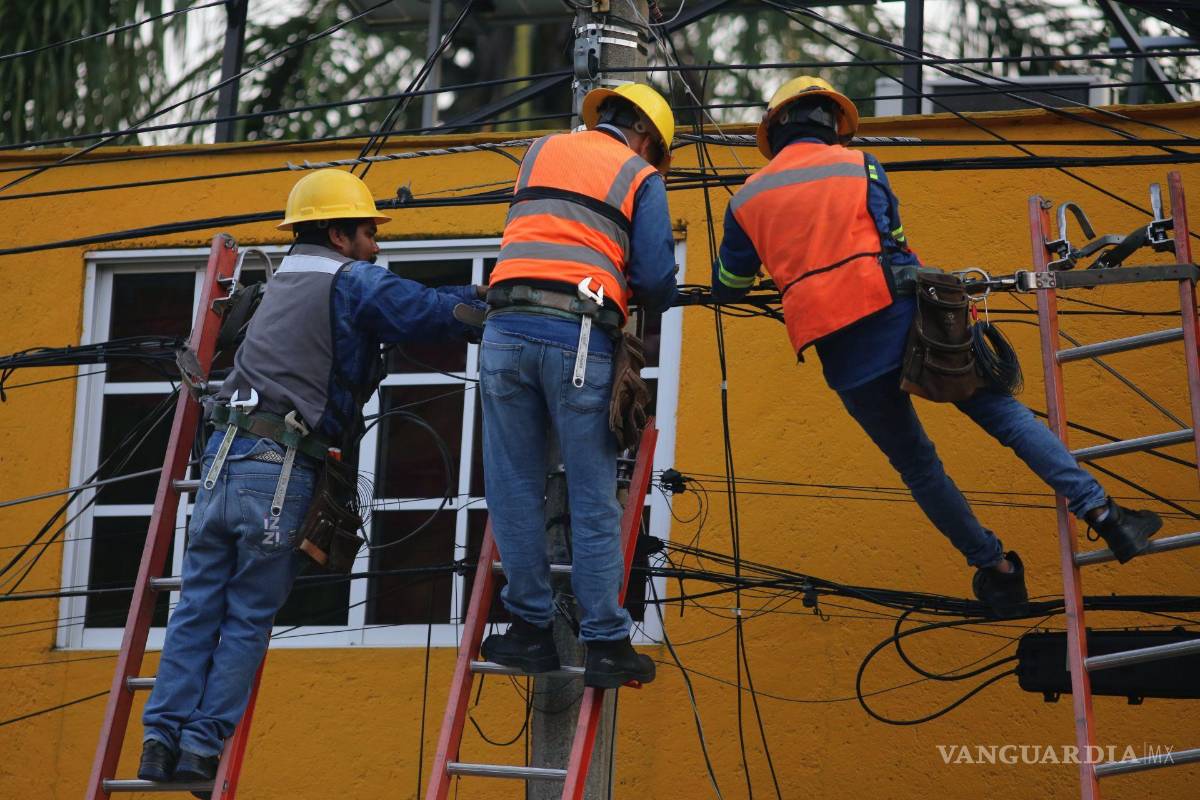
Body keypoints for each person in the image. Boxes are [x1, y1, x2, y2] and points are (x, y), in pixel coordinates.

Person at [711, 76, 1162, 618]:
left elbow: (728, 287)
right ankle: (1107, 516)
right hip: (906, 321)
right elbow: (893, 241)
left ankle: (993, 568)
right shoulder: (862, 166)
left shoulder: (748, 198)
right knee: (1003, 415)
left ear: (775, 127)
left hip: (842, 354)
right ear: (832, 123)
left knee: (918, 468)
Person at [138, 169, 486, 790]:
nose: (377, 246)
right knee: (246, 616)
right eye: (369, 234)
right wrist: (503, 294)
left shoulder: (277, 281)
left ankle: (158, 744)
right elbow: (437, 313)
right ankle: (198, 751)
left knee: (194, 609)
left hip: (220, 461)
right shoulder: (351, 283)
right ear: (337, 232)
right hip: (278, 472)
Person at [478, 83, 678, 687]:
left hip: (504, 329)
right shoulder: (640, 176)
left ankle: (530, 631)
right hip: (579, 337)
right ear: (647, 137)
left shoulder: (539, 150)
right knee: (593, 500)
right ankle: (607, 644)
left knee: (513, 488)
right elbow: (657, 279)